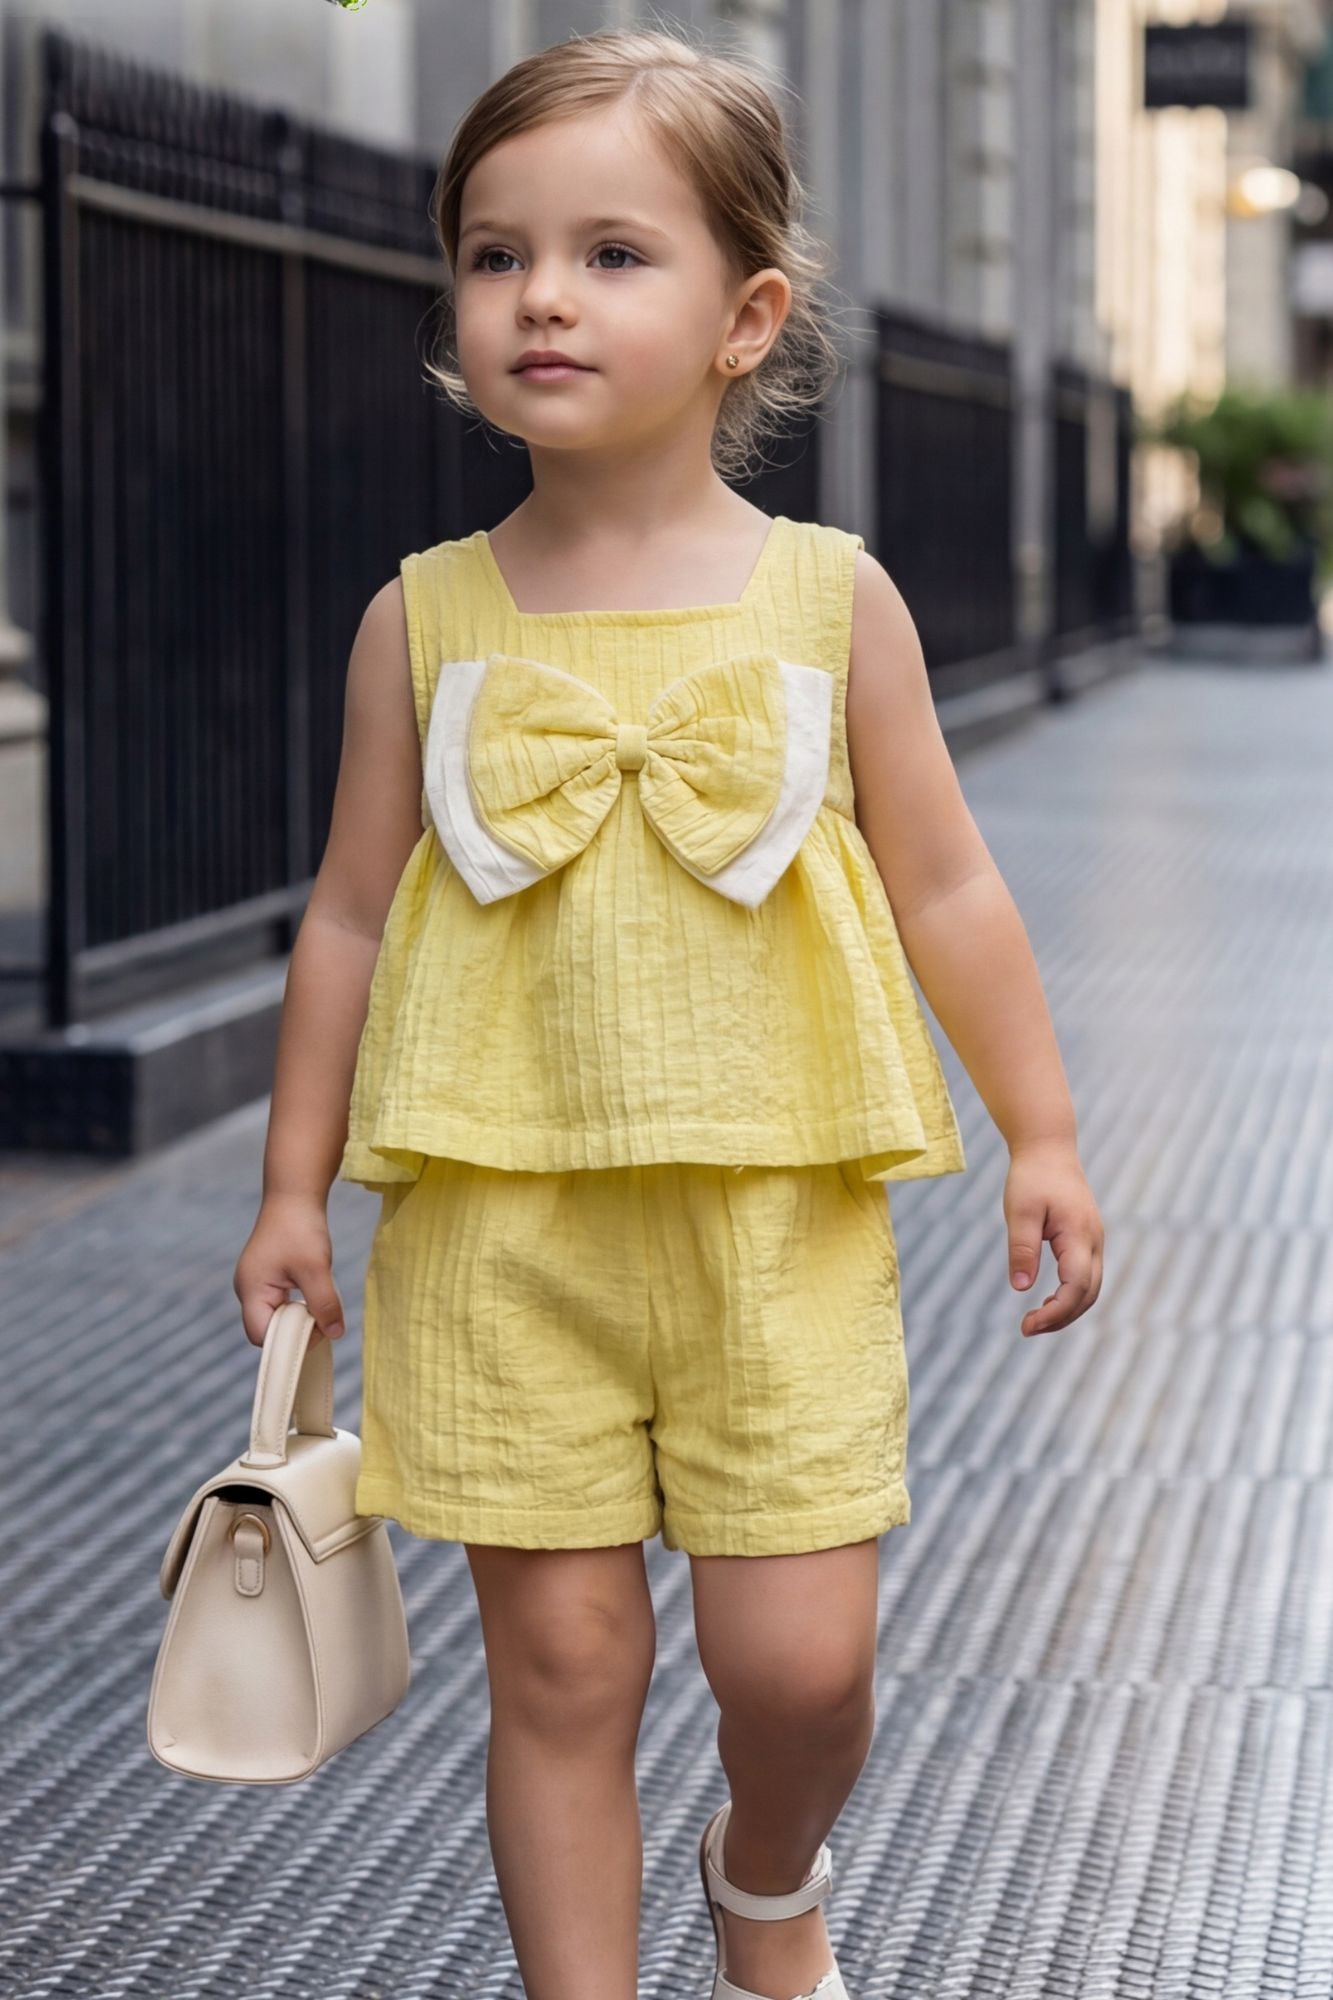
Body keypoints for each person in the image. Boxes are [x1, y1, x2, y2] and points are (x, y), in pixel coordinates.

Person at [233, 24, 1104, 2000]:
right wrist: (295, 1189)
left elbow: (948, 881)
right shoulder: (421, 618)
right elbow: (352, 919)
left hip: (770, 1219)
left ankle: (765, 1864)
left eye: (613, 252)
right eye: (493, 251)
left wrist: (1039, 1129)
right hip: (497, 1219)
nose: (542, 293)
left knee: (796, 1667)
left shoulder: (828, 600)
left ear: (747, 314)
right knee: (562, 1666)